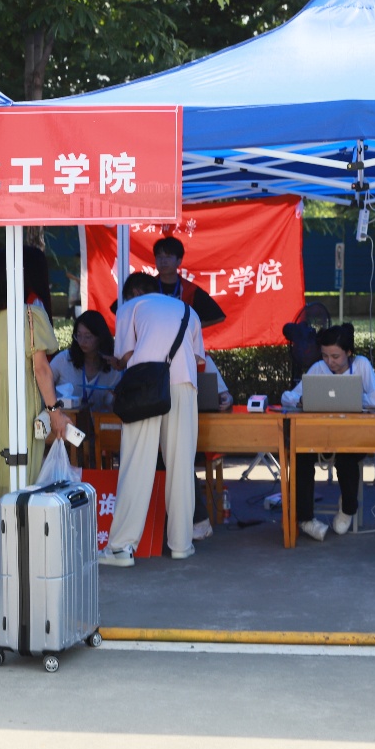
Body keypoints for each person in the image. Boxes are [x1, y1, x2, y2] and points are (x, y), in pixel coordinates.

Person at [0, 250, 71, 587]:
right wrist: (55, 411)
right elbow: (41, 369)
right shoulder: (30, 315)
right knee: (23, 475)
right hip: (21, 401)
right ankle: (21, 566)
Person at [99, 271, 205, 567]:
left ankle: (121, 548)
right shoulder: (188, 310)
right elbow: (198, 359)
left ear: (133, 293)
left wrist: (117, 362)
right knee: (181, 465)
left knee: (136, 463)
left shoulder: (130, 308)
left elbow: (126, 355)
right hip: (184, 385)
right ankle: (181, 544)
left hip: (145, 387)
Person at [281, 324, 375, 541]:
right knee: (301, 455)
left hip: (353, 436)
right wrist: (302, 399)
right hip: (320, 435)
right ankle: (305, 518)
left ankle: (348, 508)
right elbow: (287, 398)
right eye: (325, 356)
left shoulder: (361, 365)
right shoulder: (318, 368)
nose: (330, 362)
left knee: (347, 457)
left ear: (349, 352)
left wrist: (353, 398)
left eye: (336, 356)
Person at [191, 353, 233, 541]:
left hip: (202, 434)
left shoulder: (203, 360)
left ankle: (198, 519)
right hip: (172, 429)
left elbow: (225, 394)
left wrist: (227, 400)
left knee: (176, 461)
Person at [49, 310, 120, 414]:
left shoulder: (114, 367)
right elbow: (43, 382)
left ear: (100, 337)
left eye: (88, 336)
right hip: (64, 421)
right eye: (78, 335)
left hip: (98, 422)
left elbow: (112, 406)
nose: (82, 341)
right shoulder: (63, 359)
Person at [152, 236, 226, 328]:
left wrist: (189, 327)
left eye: (168, 257)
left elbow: (218, 317)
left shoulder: (190, 289)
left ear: (179, 261)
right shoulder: (146, 287)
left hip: (181, 337)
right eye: (159, 257)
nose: (163, 261)